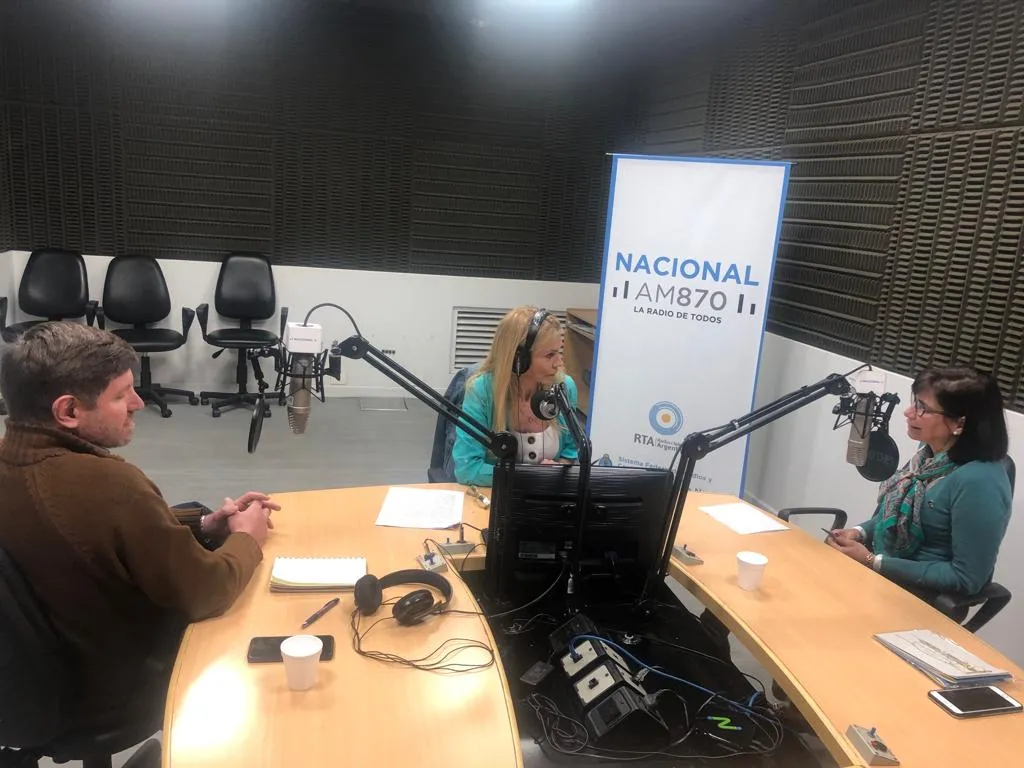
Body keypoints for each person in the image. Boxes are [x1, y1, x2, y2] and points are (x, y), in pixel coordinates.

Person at [0, 322, 277, 740]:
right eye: (121, 395)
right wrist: (246, 538)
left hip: (29, 689)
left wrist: (203, 525)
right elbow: (207, 590)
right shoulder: (111, 485)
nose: (138, 403)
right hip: (112, 693)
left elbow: (84, 531)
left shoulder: (18, 466)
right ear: (69, 411)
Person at [828, 367, 1012, 598]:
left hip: (916, 598)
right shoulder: (926, 456)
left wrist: (872, 560)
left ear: (959, 424)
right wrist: (859, 533)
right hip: (882, 578)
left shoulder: (980, 481)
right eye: (914, 402)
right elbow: (896, 516)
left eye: (922, 408)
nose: (908, 412)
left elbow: (967, 579)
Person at [452, 306, 579, 487]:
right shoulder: (482, 391)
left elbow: (571, 451)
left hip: (547, 495)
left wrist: (559, 468)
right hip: (495, 496)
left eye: (559, 352)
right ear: (519, 359)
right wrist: (533, 477)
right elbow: (467, 469)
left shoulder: (564, 387)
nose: (558, 363)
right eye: (550, 355)